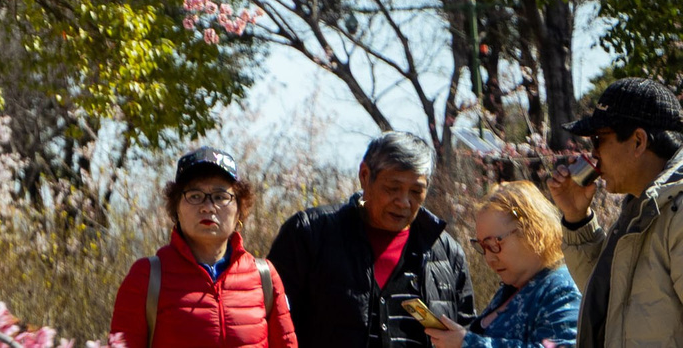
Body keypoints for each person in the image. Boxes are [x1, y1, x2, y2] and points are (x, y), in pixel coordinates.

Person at [268, 131, 476, 348]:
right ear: (365, 175)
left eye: (416, 191)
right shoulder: (309, 234)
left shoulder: (447, 253)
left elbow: (469, 335)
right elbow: (274, 325)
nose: (404, 202)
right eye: (392, 188)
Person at [112, 146, 299, 348]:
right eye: (194, 196)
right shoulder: (146, 277)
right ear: (176, 208)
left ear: (239, 210)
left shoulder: (264, 277)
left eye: (220, 197)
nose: (208, 207)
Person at [545, 77, 683, 348]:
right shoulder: (640, 209)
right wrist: (576, 217)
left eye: (598, 140)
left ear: (638, 141)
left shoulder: (677, 212)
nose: (593, 155)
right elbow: (610, 302)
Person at [421, 181, 580, 348]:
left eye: (494, 244)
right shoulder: (512, 289)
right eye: (482, 247)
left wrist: (468, 343)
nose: (489, 258)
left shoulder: (562, 289)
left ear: (532, 232)